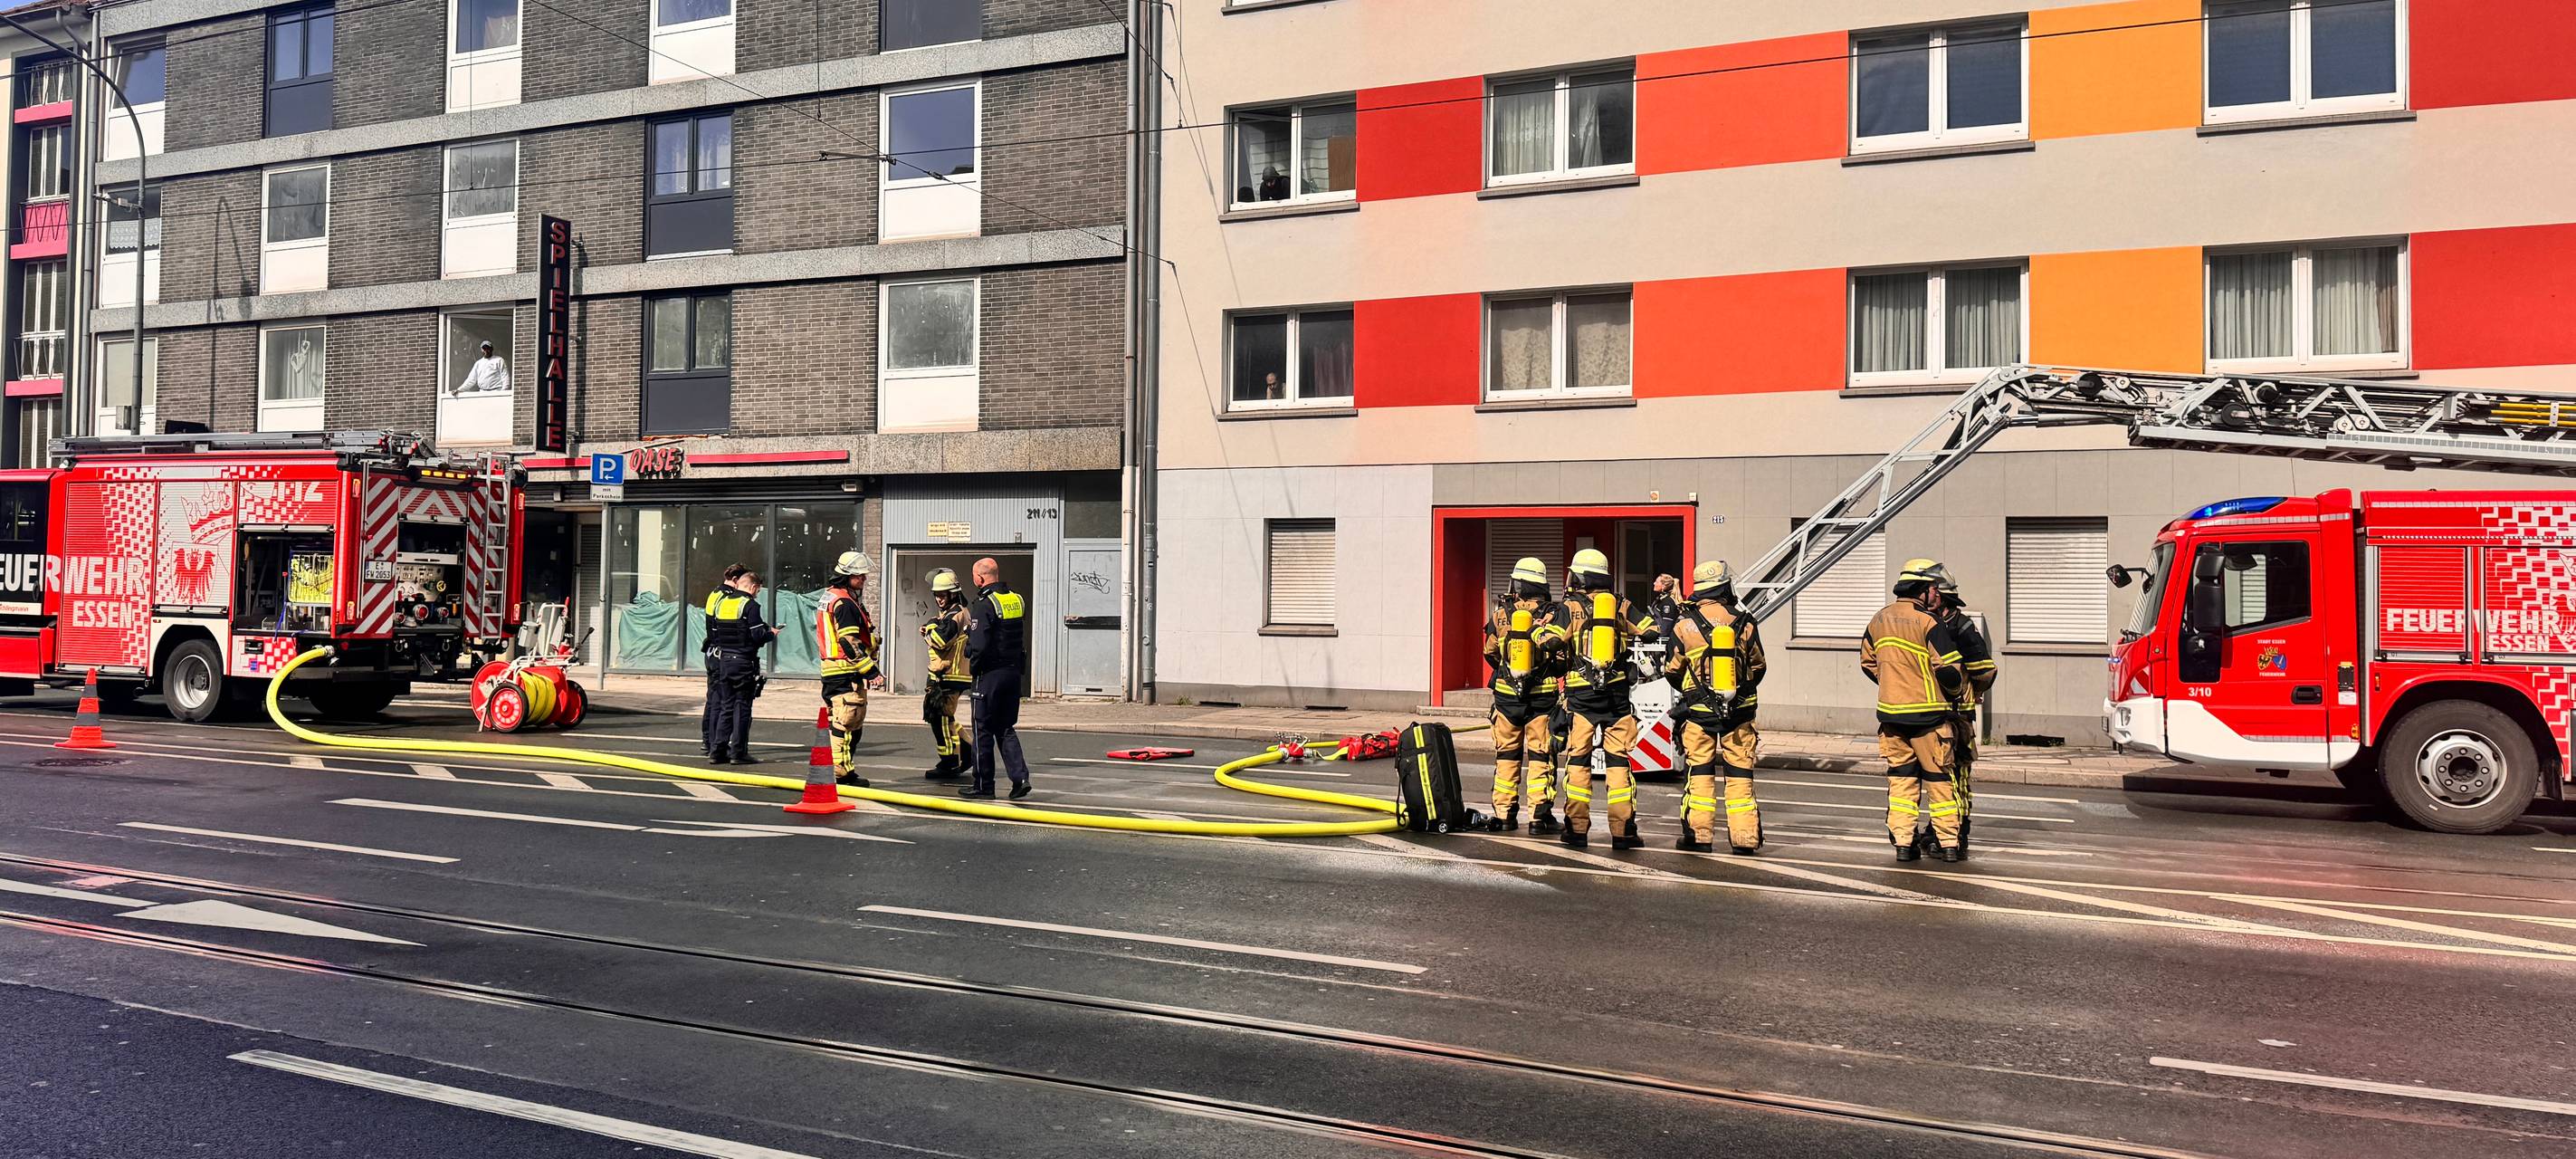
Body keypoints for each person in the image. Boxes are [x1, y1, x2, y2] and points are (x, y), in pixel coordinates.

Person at [1862, 559, 1970, 863]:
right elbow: (1949, 670)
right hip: (1929, 720)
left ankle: (1903, 846)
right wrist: (1952, 694)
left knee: (1901, 783)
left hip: (1891, 717)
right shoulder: (1929, 622)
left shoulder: (1878, 619)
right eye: (1933, 587)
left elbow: (1867, 663)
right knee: (1939, 783)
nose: (1936, 593)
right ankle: (1949, 845)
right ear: (1922, 590)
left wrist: (1893, 685)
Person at [1556, 548, 1656, 849]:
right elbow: (1651, 630)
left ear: (1581, 577)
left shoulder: (1569, 606)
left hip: (1581, 699)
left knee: (1578, 763)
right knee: (1618, 764)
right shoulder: (1621, 605)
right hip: (1616, 698)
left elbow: (1550, 639)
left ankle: (1576, 831)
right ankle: (1624, 831)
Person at [1665, 560, 1765, 854]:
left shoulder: (1685, 625)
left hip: (1700, 715)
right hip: (1740, 714)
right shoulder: (1745, 621)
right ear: (1724, 587)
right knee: (1740, 778)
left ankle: (1699, 836)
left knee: (1700, 775)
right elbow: (1758, 666)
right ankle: (1745, 839)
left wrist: (1693, 693)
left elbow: (1672, 669)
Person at [1479, 557, 1566, 833]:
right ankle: (1539, 818)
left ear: (1518, 583)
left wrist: (1507, 673)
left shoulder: (1501, 613)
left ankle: (1504, 816)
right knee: (1541, 756)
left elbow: (1489, 652)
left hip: (1506, 698)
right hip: (1542, 698)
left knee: (1507, 756)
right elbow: (1563, 657)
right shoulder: (1553, 613)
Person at [1934, 568, 1999, 856]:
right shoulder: (1935, 624)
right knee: (1941, 778)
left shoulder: (1960, 628)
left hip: (1957, 716)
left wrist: (1971, 690)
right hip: (1936, 714)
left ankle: (1956, 832)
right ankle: (1944, 830)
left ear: (1942, 600)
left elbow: (1984, 669)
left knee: (1956, 777)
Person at [961, 557, 1033, 800]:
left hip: (989, 675)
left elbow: (979, 645)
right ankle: (1020, 778)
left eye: (974, 576)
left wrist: (973, 663)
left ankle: (983, 786)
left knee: (982, 729)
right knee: (1005, 727)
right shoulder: (1015, 598)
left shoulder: (984, 604)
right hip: (1013, 674)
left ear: (979, 578)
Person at [816, 551, 883, 788]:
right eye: (860, 577)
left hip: (835, 670)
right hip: (845, 670)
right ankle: (841, 772)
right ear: (847, 577)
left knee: (846, 721)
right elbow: (848, 641)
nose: (864, 580)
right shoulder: (844, 602)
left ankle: (844, 768)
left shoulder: (831, 596)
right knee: (846, 721)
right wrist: (872, 672)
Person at [701, 565, 774, 764]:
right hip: (743, 661)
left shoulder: (721, 602)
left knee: (725, 706)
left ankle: (717, 751)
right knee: (742, 707)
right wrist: (771, 634)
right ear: (752, 588)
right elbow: (758, 636)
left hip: (723, 659)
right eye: (758, 590)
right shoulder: (750, 606)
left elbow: (713, 632)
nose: (757, 594)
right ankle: (738, 753)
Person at [920, 568, 975, 781]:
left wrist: (929, 628)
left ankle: (950, 762)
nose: (939, 599)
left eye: (943, 595)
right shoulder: (950, 614)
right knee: (940, 716)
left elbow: (940, 640)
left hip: (951, 673)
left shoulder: (955, 615)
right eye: (937, 595)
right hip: (946, 673)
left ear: (953, 593)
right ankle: (968, 750)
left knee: (940, 717)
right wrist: (933, 625)